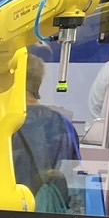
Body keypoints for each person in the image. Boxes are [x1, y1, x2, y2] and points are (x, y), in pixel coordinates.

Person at [10, 54, 81, 209]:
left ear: (9, 81)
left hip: (11, 213)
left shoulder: (6, 125)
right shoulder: (64, 125)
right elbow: (73, 172)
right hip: (54, 214)